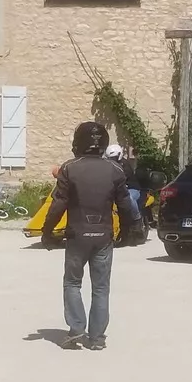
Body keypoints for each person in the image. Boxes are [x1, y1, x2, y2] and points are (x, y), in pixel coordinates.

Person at [42, 121, 142, 350]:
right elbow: (125, 205)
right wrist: (128, 231)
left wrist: (47, 232)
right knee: (101, 288)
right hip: (104, 237)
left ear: (77, 143)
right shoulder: (115, 170)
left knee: (72, 283)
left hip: (77, 235)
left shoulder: (69, 168)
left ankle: (76, 329)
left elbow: (58, 204)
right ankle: (97, 338)